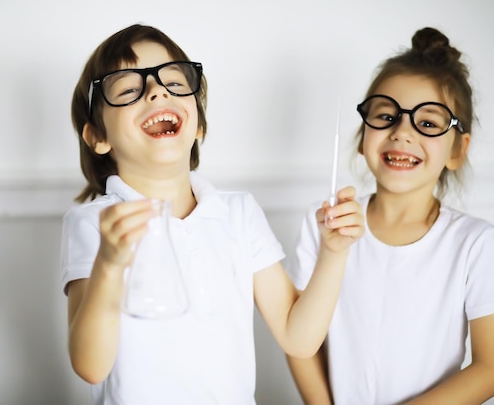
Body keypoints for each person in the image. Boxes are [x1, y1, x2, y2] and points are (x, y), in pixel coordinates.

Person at [60, 23, 364, 405]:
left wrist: (334, 252)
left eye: (173, 82)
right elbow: (90, 366)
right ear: (98, 137)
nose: (156, 91)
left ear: (199, 124)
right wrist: (108, 265)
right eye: (128, 89)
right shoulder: (95, 224)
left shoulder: (239, 214)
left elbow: (298, 337)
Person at [285, 27, 494, 405]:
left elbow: (490, 368)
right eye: (386, 115)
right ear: (364, 131)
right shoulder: (324, 223)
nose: (402, 132)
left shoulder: (477, 244)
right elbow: (299, 341)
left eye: (428, 123)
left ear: (457, 150)